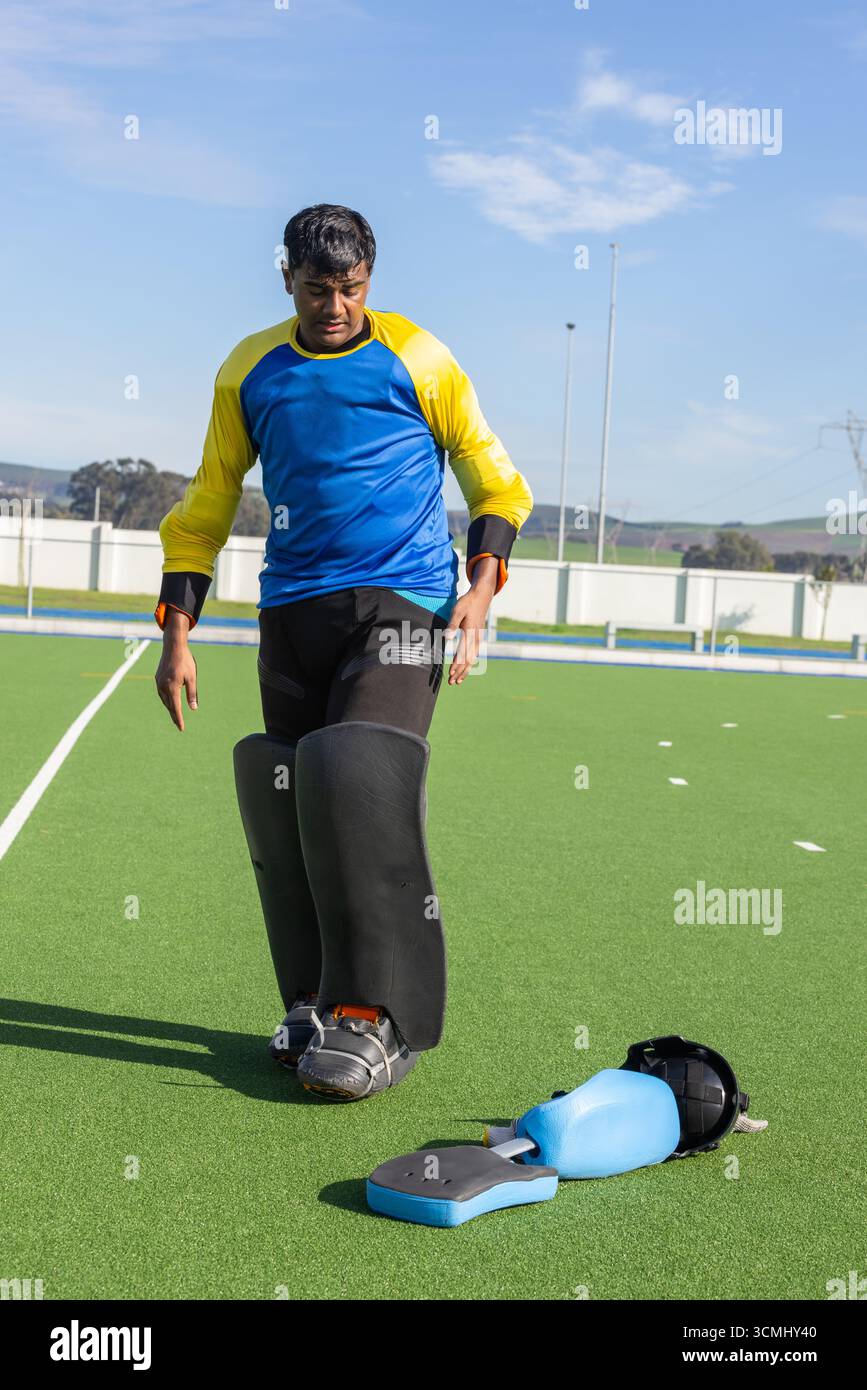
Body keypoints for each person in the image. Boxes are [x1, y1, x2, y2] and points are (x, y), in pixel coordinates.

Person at [154, 204, 533, 1101]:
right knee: (285, 789)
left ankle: (379, 1017)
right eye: (319, 288)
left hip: (402, 602)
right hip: (291, 613)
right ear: (285, 276)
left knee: (356, 775)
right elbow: (208, 502)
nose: (336, 306)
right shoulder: (249, 370)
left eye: (352, 288)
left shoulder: (419, 358)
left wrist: (480, 589)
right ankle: (313, 1000)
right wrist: (176, 634)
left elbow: (492, 473)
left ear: (372, 279)